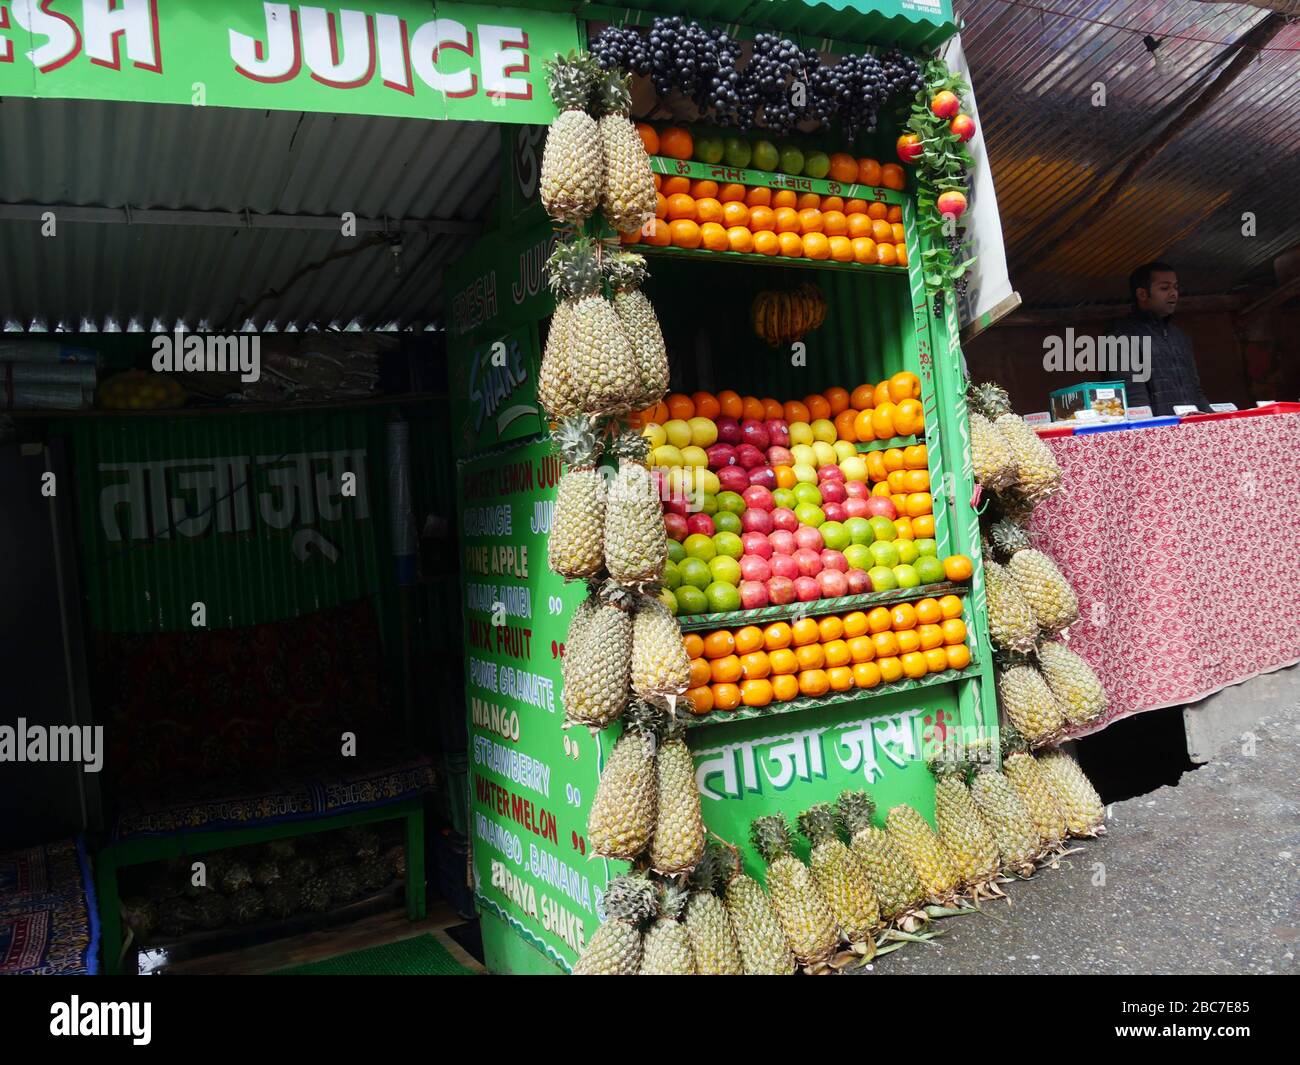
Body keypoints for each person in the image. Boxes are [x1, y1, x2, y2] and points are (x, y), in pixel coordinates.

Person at [1107, 262, 1210, 415]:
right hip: (1158, 431)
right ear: (1142, 294)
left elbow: (1195, 390)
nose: (1173, 293)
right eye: (1164, 288)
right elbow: (1133, 396)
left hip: (1192, 428)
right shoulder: (1121, 335)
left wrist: (1213, 417)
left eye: (1175, 287)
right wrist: (1154, 431)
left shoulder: (1180, 337)